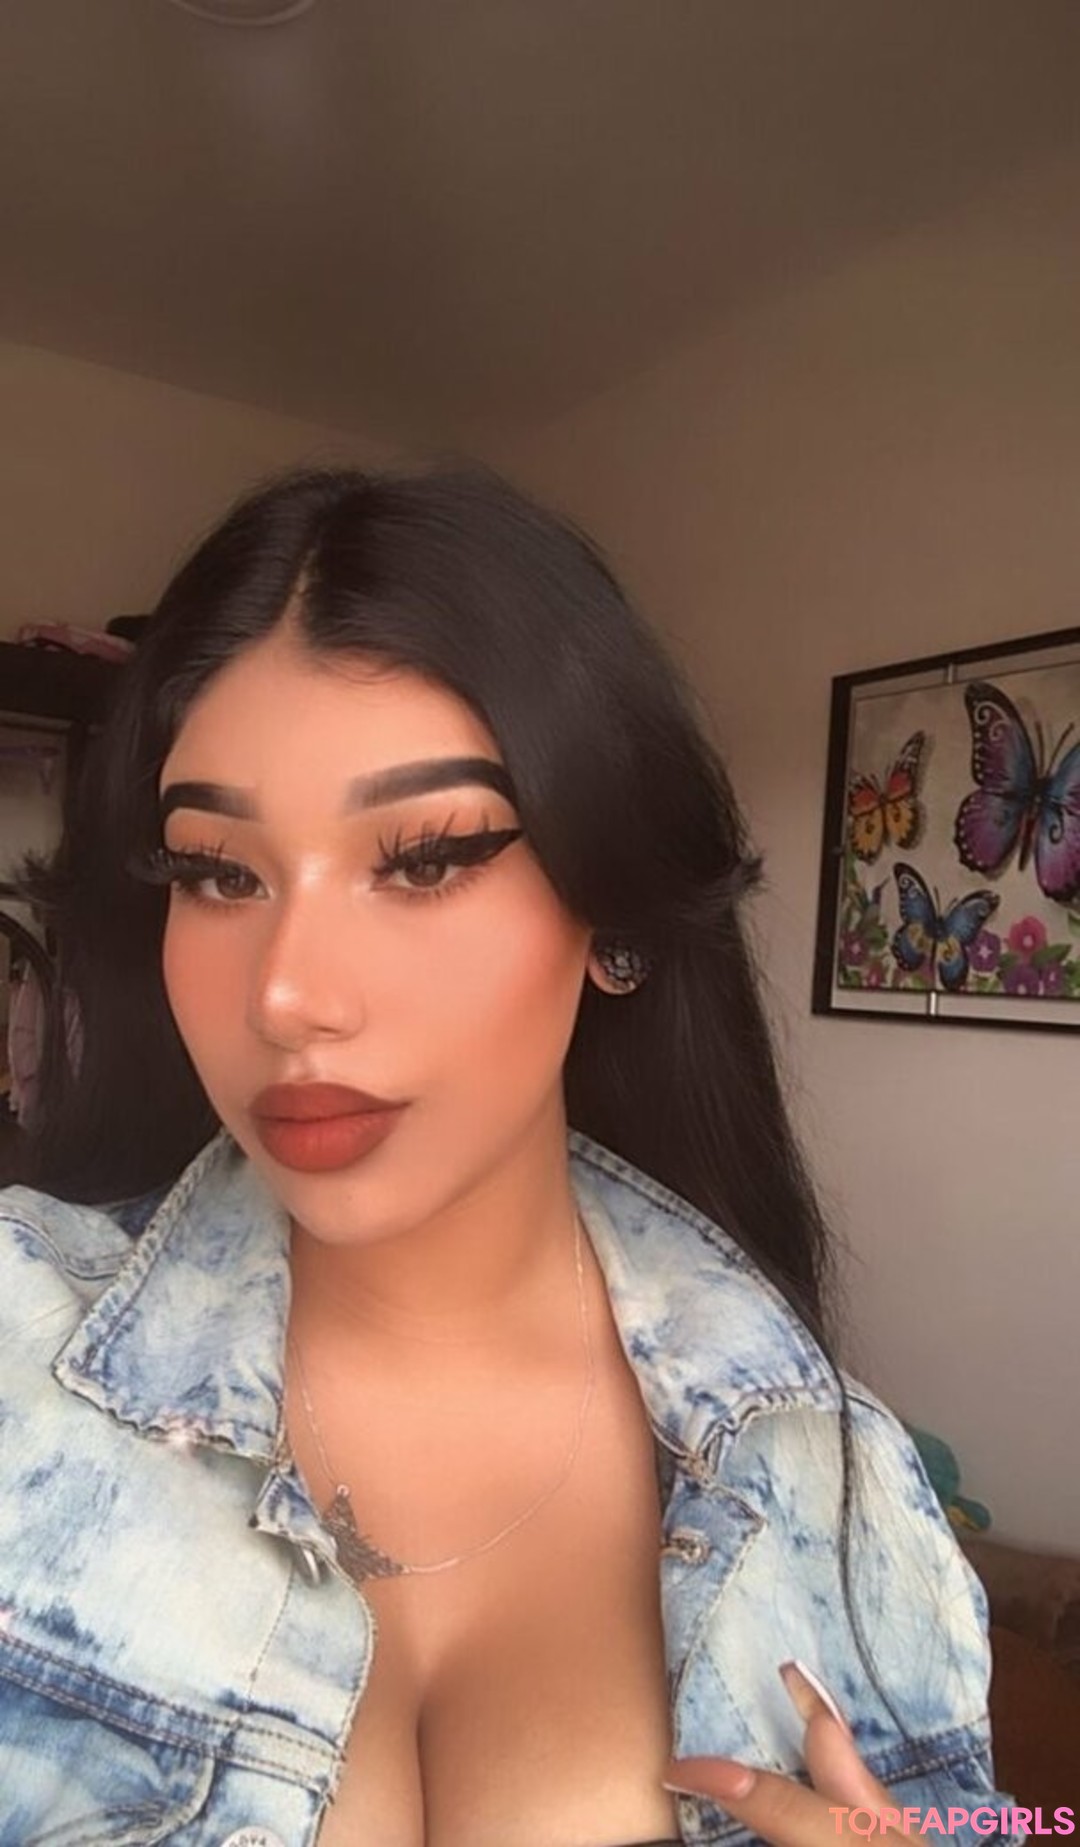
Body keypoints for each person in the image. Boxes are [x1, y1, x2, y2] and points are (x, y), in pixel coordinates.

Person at [0, 466, 1018, 1845]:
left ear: (615, 915)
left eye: (424, 859)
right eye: (219, 873)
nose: (287, 995)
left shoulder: (838, 1486)